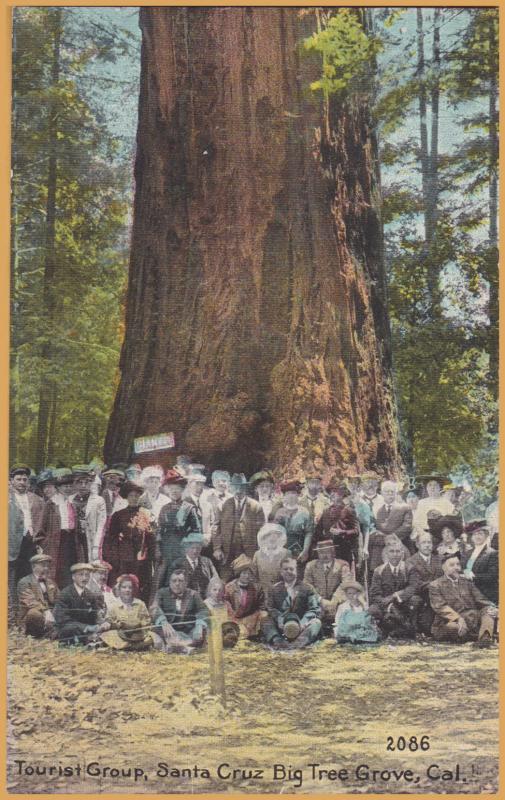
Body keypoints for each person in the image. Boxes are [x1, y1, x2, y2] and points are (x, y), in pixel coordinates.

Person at [102, 481, 156, 604]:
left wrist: (152, 557)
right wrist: (114, 559)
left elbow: (151, 538)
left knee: (141, 584)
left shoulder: (146, 514)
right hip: (124, 558)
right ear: (127, 497)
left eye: (136, 496)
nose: (134, 499)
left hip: (142, 558)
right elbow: (111, 539)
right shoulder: (118, 515)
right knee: (124, 583)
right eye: (131, 496)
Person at [429, 553, 497, 645]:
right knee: (454, 627)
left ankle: (484, 639)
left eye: (458, 564)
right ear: (444, 568)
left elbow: (480, 598)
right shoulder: (435, 585)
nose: (456, 567)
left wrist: (492, 607)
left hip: (471, 619)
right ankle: (477, 635)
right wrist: (458, 618)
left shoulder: (466, 582)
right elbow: (441, 607)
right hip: (448, 621)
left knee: (488, 611)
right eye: (452, 565)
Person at [262, 556, 322, 650]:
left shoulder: (307, 588)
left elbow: (314, 609)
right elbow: (270, 608)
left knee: (316, 622)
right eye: (285, 569)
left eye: (291, 569)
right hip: (281, 626)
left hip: (301, 626)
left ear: (296, 571)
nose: (288, 571)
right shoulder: (274, 589)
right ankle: (279, 642)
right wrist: (279, 619)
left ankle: (297, 644)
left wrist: (303, 623)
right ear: (281, 572)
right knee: (265, 620)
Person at [213, 473, 264, 582]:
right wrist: (217, 548)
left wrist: (258, 552)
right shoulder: (223, 505)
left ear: (245, 489)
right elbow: (216, 527)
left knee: (248, 582)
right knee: (225, 581)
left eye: (241, 487)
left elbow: (262, 531)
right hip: (228, 552)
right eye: (235, 487)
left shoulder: (256, 506)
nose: (238, 490)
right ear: (231, 488)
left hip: (248, 552)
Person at [39, 470, 82, 588]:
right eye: (64, 486)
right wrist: (45, 545)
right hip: (57, 542)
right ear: (58, 487)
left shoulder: (72, 504)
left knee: (71, 570)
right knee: (57, 571)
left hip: (71, 541)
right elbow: (41, 528)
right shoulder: (51, 504)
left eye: (69, 486)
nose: (68, 488)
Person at [368, 539, 419, 638]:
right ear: (387, 554)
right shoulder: (379, 571)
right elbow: (374, 594)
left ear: (402, 554)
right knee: (372, 610)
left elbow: (413, 587)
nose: (395, 554)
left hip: (403, 602)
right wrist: (386, 603)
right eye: (392, 551)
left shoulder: (409, 568)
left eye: (398, 551)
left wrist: (395, 597)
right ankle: (387, 629)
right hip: (385, 604)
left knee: (415, 600)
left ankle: (410, 628)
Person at [151, 569, 209, 653]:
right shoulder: (162, 593)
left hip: (189, 631)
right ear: (170, 582)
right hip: (169, 631)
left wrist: (199, 624)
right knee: (159, 632)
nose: (177, 584)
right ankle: (185, 648)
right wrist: (163, 621)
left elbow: (203, 610)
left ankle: (179, 647)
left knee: (203, 633)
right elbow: (154, 607)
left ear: (186, 583)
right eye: (174, 581)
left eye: (180, 581)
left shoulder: (193, 594)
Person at [54, 563, 110, 645]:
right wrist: (85, 627)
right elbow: (63, 620)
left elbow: (95, 615)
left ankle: (92, 639)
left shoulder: (90, 595)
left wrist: (103, 623)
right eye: (81, 575)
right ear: (73, 577)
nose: (84, 578)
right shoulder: (65, 593)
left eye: (87, 575)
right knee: (69, 629)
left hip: (85, 629)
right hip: (67, 629)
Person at [101, 574, 158, 651]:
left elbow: (146, 621)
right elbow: (109, 620)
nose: (127, 590)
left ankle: (133, 646)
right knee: (107, 635)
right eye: (124, 587)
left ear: (133, 590)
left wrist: (138, 626)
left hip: (138, 635)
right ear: (119, 589)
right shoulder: (114, 605)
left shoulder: (140, 604)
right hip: (121, 634)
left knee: (152, 637)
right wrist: (116, 624)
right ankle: (130, 646)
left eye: (130, 588)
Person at [9, 465, 45, 584]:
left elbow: (42, 522)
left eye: (24, 480)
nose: (22, 482)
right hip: (12, 541)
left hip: (31, 541)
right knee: (11, 573)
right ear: (11, 481)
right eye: (18, 479)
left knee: (29, 571)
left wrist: (39, 540)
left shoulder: (36, 499)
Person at [303, 540, 350, 630]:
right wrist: (320, 600)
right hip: (318, 602)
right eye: (321, 552)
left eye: (328, 552)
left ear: (333, 552)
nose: (325, 555)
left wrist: (334, 601)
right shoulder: (310, 566)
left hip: (337, 603)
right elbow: (307, 586)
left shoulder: (342, 565)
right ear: (318, 553)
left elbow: (346, 584)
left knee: (345, 610)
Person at [315, 484, 360, 569]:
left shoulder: (349, 511)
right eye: (331, 492)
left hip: (344, 551)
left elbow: (356, 531)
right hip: (328, 553)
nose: (332, 495)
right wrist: (325, 541)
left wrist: (342, 532)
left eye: (335, 493)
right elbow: (318, 531)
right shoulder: (326, 511)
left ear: (341, 495)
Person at [406, 532, 443, 635]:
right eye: (424, 542)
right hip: (423, 595)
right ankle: (415, 629)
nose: (427, 545)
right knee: (427, 626)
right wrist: (435, 585)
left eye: (429, 542)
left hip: (440, 595)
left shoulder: (439, 559)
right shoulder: (411, 561)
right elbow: (415, 584)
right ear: (417, 545)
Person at [272, 480, 314, 566]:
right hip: (283, 547)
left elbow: (309, 533)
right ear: (284, 496)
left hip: (299, 547)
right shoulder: (279, 511)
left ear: (298, 495)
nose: (291, 496)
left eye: (294, 493)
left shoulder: (305, 512)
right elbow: (275, 533)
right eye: (288, 493)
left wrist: (305, 551)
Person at [17, 554, 59, 638]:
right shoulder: (24, 582)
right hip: (37, 613)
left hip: (51, 614)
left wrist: (57, 611)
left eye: (47, 566)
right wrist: (46, 611)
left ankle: (52, 632)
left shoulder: (51, 582)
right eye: (43, 566)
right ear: (33, 567)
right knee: (33, 614)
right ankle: (43, 633)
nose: (46, 569)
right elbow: (30, 602)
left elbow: (59, 599)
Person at [224, 554, 266, 638]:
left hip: (250, 619)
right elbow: (225, 606)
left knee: (264, 614)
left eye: (249, 573)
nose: (246, 576)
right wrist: (234, 620)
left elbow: (262, 607)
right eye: (244, 573)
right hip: (233, 619)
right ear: (239, 574)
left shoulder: (256, 588)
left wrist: (252, 619)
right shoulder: (229, 587)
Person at [70, 466, 107, 562]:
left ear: (91, 483)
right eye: (80, 482)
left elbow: (101, 526)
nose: (83, 486)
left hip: (90, 540)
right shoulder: (70, 500)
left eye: (86, 482)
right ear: (75, 483)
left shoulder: (98, 501)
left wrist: (96, 546)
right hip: (73, 541)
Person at [461, 521, 498, 605]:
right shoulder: (467, 553)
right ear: (471, 537)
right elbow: (463, 568)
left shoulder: (493, 553)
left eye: (480, 534)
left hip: (485, 594)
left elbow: (492, 576)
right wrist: (464, 572)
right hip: (468, 593)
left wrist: (473, 577)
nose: (477, 536)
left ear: (485, 536)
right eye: (475, 534)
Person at [334, 580, 380, 644]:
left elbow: (369, 620)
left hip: (360, 632)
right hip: (347, 631)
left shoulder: (363, 606)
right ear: (346, 594)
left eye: (354, 593)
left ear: (358, 594)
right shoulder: (343, 607)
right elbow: (337, 622)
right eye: (349, 593)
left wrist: (364, 603)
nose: (352, 596)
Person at [412, 476, 455, 543]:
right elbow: (416, 521)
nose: (432, 487)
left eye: (435, 485)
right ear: (426, 488)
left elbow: (451, 520)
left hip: (441, 535)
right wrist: (423, 534)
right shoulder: (421, 502)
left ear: (440, 488)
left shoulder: (446, 502)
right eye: (430, 485)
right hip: (424, 534)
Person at [374, 481, 413, 553]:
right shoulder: (379, 510)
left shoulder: (405, 507)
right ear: (382, 493)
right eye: (387, 491)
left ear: (396, 493)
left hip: (402, 543)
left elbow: (407, 526)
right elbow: (379, 528)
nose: (390, 494)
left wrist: (392, 536)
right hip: (385, 545)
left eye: (392, 491)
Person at [252, 523, 290, 594]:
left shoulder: (286, 553)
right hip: (262, 593)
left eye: (275, 536)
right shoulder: (257, 554)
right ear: (264, 538)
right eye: (269, 535)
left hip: (281, 593)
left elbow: (290, 576)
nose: (272, 538)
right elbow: (254, 576)